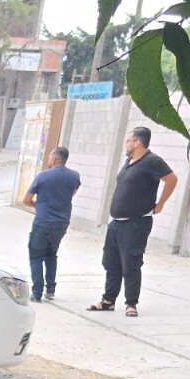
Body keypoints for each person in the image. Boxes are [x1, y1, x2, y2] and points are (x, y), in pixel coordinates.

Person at [89, 126, 178, 317]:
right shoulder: (129, 161)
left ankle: (131, 304)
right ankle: (108, 300)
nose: (126, 144)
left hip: (135, 224)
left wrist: (160, 204)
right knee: (111, 263)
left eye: (128, 140)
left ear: (137, 142)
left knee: (130, 264)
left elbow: (171, 179)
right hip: (116, 223)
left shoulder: (151, 161)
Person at [22, 147, 80, 302]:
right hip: (62, 223)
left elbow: (26, 200)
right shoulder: (74, 176)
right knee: (51, 255)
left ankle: (37, 293)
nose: (48, 160)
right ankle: (51, 289)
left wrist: (39, 205)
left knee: (36, 256)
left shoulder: (42, 176)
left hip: (43, 221)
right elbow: (71, 194)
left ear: (54, 159)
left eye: (49, 158)